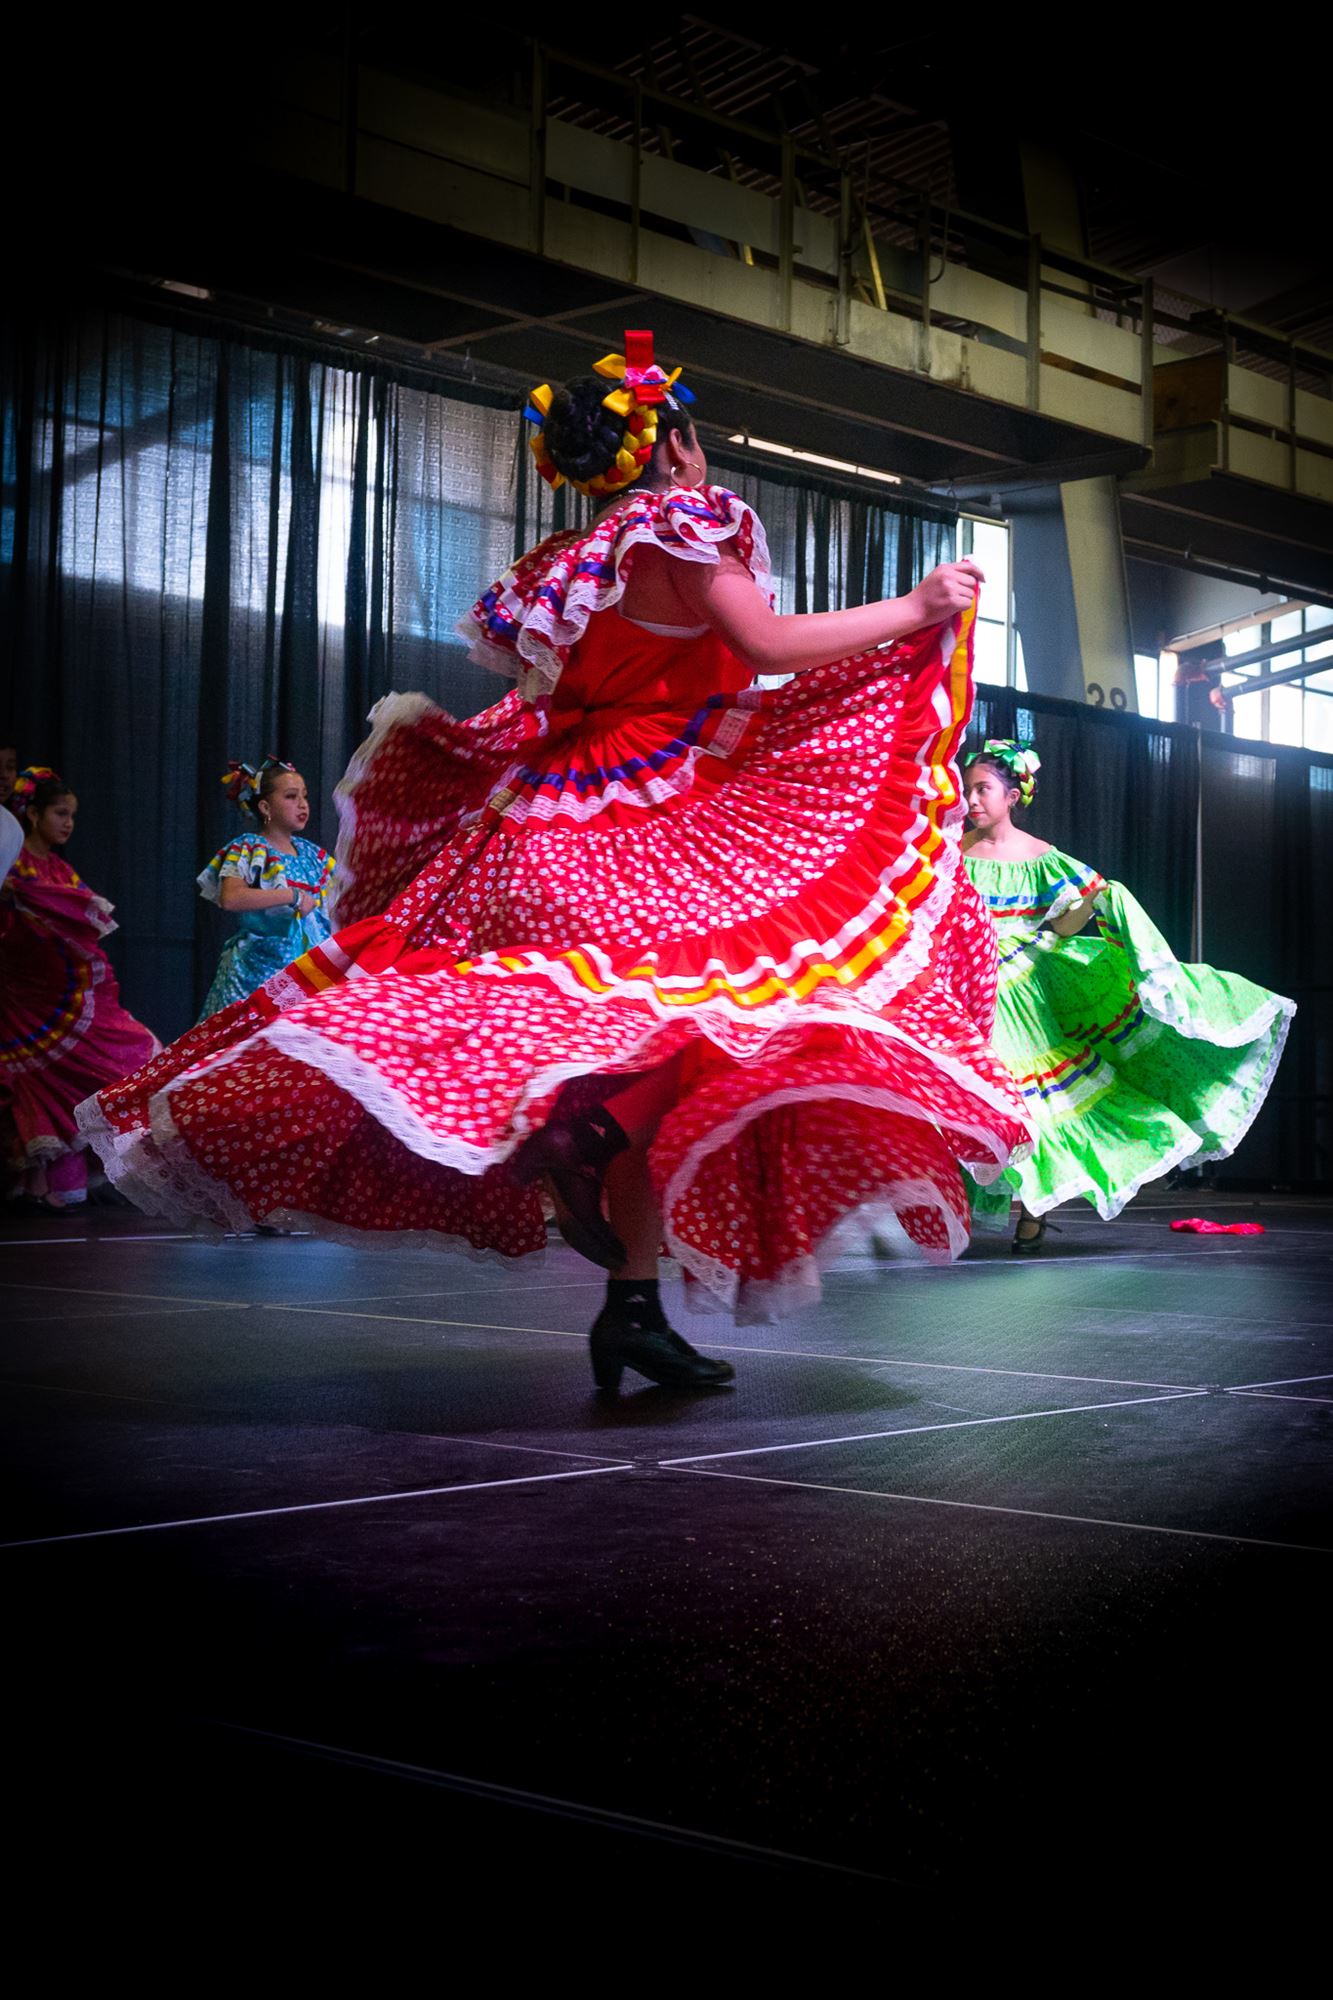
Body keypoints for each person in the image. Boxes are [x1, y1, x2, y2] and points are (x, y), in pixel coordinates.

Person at [79, 331, 1029, 1388]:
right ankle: (593, 1140)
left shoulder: (568, 565)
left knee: (679, 1038)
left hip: (548, 819)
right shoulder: (682, 528)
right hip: (646, 817)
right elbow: (762, 644)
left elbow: (564, 699)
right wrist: (918, 607)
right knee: (719, 1011)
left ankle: (631, 1302)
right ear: (675, 447)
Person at [961, 738, 1294, 1250]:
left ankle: (1034, 1208)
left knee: (1034, 1105)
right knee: (972, 1097)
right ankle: (958, 1202)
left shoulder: (1042, 858)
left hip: (1021, 995)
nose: (973, 800)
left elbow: (1067, 925)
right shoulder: (952, 855)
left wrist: (1092, 904)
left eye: (984, 789)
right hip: (969, 987)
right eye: (968, 790)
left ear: (1013, 795)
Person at [0, 768, 159, 1212]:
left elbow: (84, 924)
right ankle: (32, 1185)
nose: (68, 823)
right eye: (60, 813)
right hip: (27, 999)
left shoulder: (58, 868)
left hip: (60, 998)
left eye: (71, 815)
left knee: (109, 1059)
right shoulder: (15, 866)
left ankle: (67, 1182)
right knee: (35, 1080)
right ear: (32, 815)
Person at [197, 759, 335, 1019]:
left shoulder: (314, 855)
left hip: (304, 972)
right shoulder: (249, 848)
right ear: (265, 806)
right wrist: (292, 895)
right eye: (291, 797)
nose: (303, 804)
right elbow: (231, 898)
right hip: (253, 973)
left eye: (304, 796)